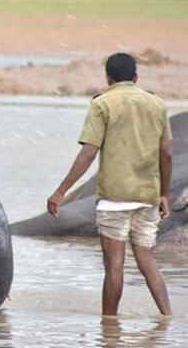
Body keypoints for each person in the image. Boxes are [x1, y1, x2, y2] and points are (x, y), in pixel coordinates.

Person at [47, 52, 172, 317]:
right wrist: (164, 194)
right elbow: (166, 154)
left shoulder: (102, 104)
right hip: (147, 196)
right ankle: (167, 317)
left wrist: (61, 191)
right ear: (136, 77)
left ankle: (109, 326)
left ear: (108, 78)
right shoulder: (157, 104)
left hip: (114, 199)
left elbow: (89, 152)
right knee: (147, 261)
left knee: (114, 265)